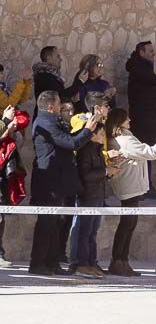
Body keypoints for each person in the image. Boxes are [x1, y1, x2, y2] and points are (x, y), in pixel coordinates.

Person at [26, 92, 105, 275]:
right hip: (49, 183)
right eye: (59, 102)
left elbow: (69, 139)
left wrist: (86, 127)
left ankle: (52, 264)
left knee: (56, 223)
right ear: (51, 106)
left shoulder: (53, 121)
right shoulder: (45, 122)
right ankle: (38, 264)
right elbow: (71, 144)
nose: (62, 106)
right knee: (46, 223)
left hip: (58, 181)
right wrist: (88, 130)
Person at [104, 108, 156, 277]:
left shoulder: (125, 137)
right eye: (126, 119)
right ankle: (118, 261)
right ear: (120, 122)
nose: (130, 121)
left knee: (129, 224)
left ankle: (122, 261)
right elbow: (151, 153)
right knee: (127, 224)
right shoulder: (125, 140)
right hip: (129, 185)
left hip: (130, 184)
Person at [67, 92, 117, 279]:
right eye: (105, 105)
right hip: (86, 193)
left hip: (98, 192)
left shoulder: (97, 146)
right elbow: (85, 172)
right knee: (83, 228)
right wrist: (105, 172)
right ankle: (79, 263)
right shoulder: (82, 122)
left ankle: (90, 262)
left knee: (92, 231)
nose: (108, 109)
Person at [0, 103, 30, 268]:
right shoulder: (4, 119)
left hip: (2, 174)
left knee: (1, 216)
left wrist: (11, 130)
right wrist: (5, 122)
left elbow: (18, 143)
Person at [32, 46, 86, 118]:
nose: (60, 59)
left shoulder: (49, 75)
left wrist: (71, 98)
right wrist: (80, 81)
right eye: (57, 56)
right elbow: (60, 95)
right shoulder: (45, 76)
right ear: (49, 58)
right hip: (47, 120)